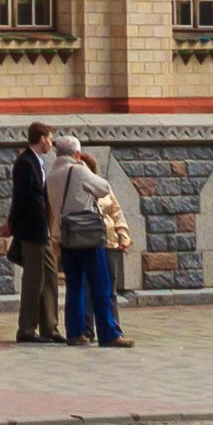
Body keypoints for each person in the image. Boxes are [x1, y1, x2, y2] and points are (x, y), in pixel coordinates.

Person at [49, 134, 134, 349]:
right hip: (87, 235)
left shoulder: (51, 175)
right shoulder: (78, 170)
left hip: (66, 237)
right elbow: (104, 188)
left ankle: (75, 333)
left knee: (74, 286)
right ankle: (108, 333)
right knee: (100, 285)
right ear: (77, 154)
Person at [2, 125, 60, 345]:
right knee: (34, 280)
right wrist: (12, 224)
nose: (52, 144)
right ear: (42, 139)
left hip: (42, 229)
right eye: (50, 139)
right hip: (31, 230)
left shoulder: (38, 162)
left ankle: (50, 327)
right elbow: (21, 198)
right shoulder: (25, 162)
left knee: (50, 276)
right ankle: (26, 328)